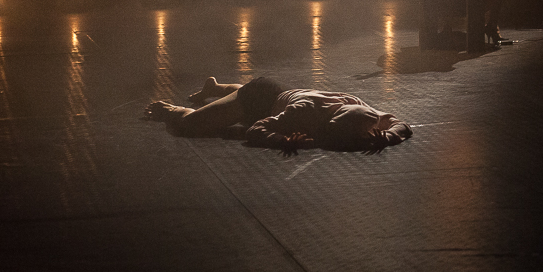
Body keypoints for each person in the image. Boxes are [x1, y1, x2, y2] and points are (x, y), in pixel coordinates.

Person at [145, 76, 412, 156]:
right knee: (190, 125)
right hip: (257, 98)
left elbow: (401, 125)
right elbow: (255, 130)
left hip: (278, 94)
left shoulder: (364, 111)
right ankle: (170, 109)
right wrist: (282, 140)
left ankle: (215, 88)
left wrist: (387, 136)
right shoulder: (303, 114)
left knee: (243, 97)